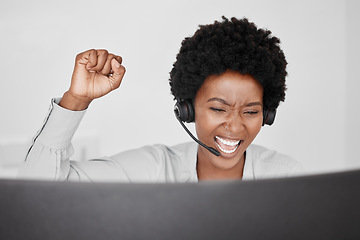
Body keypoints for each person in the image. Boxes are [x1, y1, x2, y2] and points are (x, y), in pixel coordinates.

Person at [18, 17, 302, 182]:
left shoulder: (285, 176)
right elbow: (37, 188)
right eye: (218, 108)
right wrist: (76, 99)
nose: (236, 127)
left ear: (267, 115)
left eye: (251, 112)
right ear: (187, 109)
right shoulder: (154, 169)